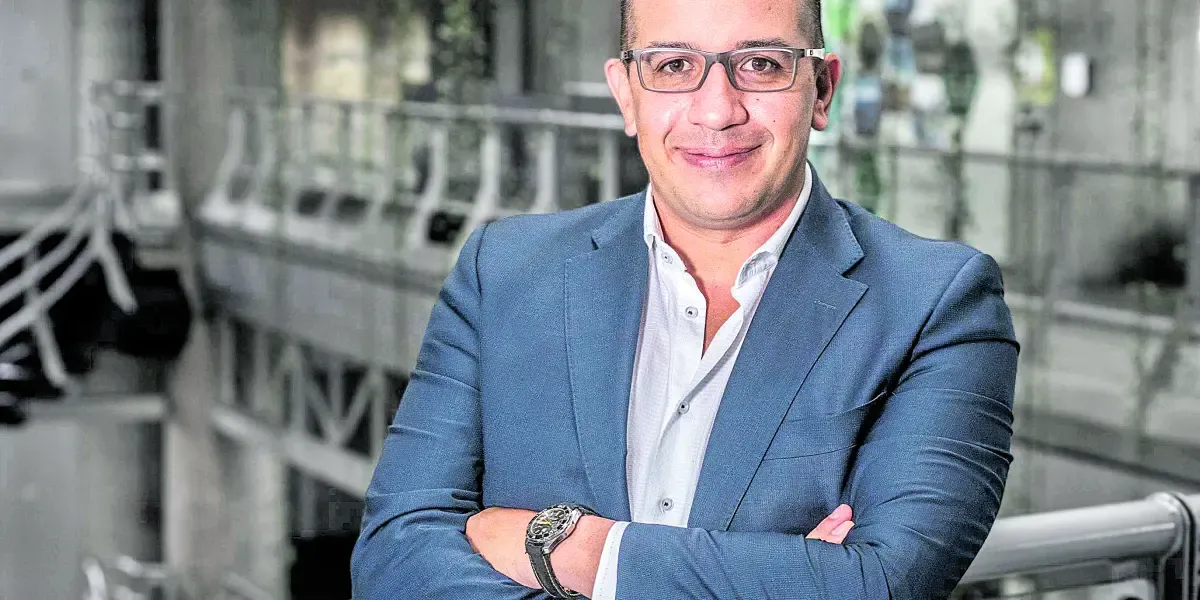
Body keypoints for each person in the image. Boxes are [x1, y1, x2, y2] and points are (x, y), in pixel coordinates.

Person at [351, 0, 1019, 597]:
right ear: (626, 94)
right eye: (673, 66)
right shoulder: (503, 273)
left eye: (761, 64)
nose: (716, 110)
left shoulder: (936, 304)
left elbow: (879, 583)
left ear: (821, 89)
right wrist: (777, 574)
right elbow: (394, 559)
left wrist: (572, 550)